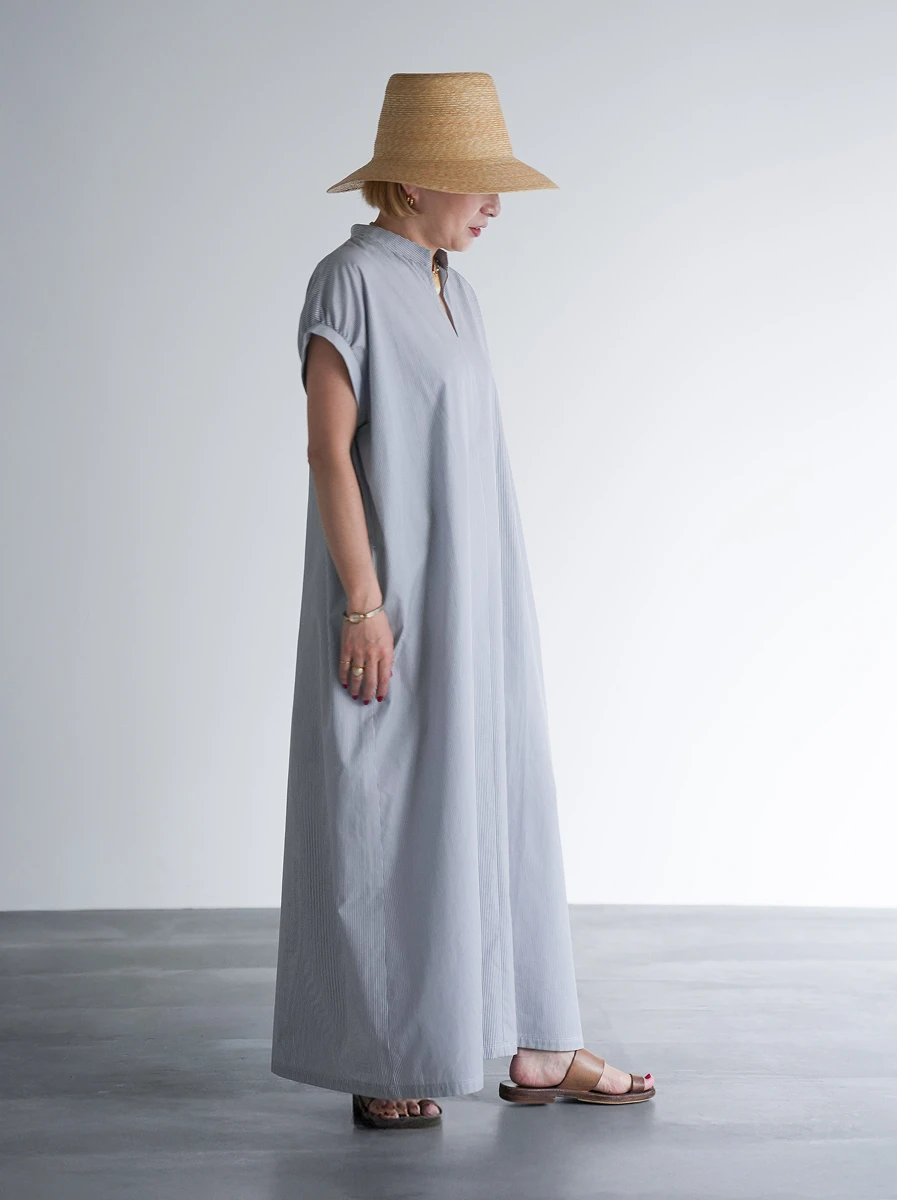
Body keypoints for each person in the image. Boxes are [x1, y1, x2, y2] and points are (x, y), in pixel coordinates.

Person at [271, 72, 655, 1129]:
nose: (495, 204)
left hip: (478, 602)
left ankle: (541, 1040)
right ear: (411, 184)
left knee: (502, 799)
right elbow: (329, 451)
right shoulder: (348, 280)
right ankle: (389, 1055)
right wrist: (363, 601)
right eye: (478, 183)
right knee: (387, 816)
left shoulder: (457, 289)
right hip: (391, 600)